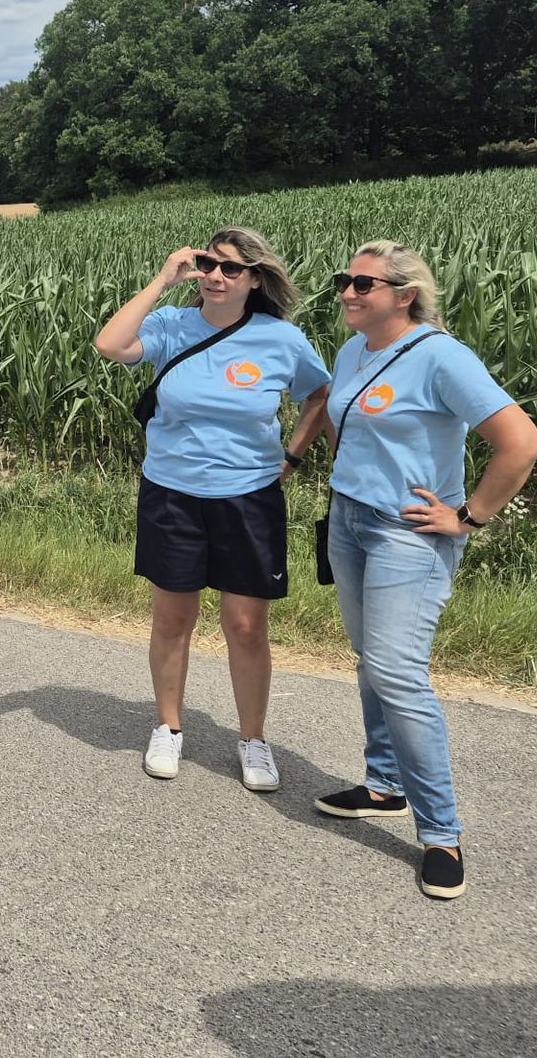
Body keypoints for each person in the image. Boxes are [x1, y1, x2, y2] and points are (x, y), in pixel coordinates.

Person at [313, 241, 537, 902]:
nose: (348, 293)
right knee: (369, 659)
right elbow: (346, 421)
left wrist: (468, 517)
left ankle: (441, 833)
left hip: (406, 534)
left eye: (363, 283)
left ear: (404, 294)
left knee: (397, 672)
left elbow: (520, 441)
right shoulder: (355, 348)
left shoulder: (441, 355)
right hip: (351, 521)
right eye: (344, 281)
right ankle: (383, 784)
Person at [91, 228, 331, 793]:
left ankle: (253, 739)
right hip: (171, 493)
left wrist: (292, 457)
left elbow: (319, 395)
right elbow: (110, 346)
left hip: (248, 497)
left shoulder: (282, 339)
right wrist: (162, 280)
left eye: (230, 268)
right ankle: (169, 727)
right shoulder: (173, 325)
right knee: (173, 618)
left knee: (246, 626)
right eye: (208, 265)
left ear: (255, 279)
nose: (216, 277)